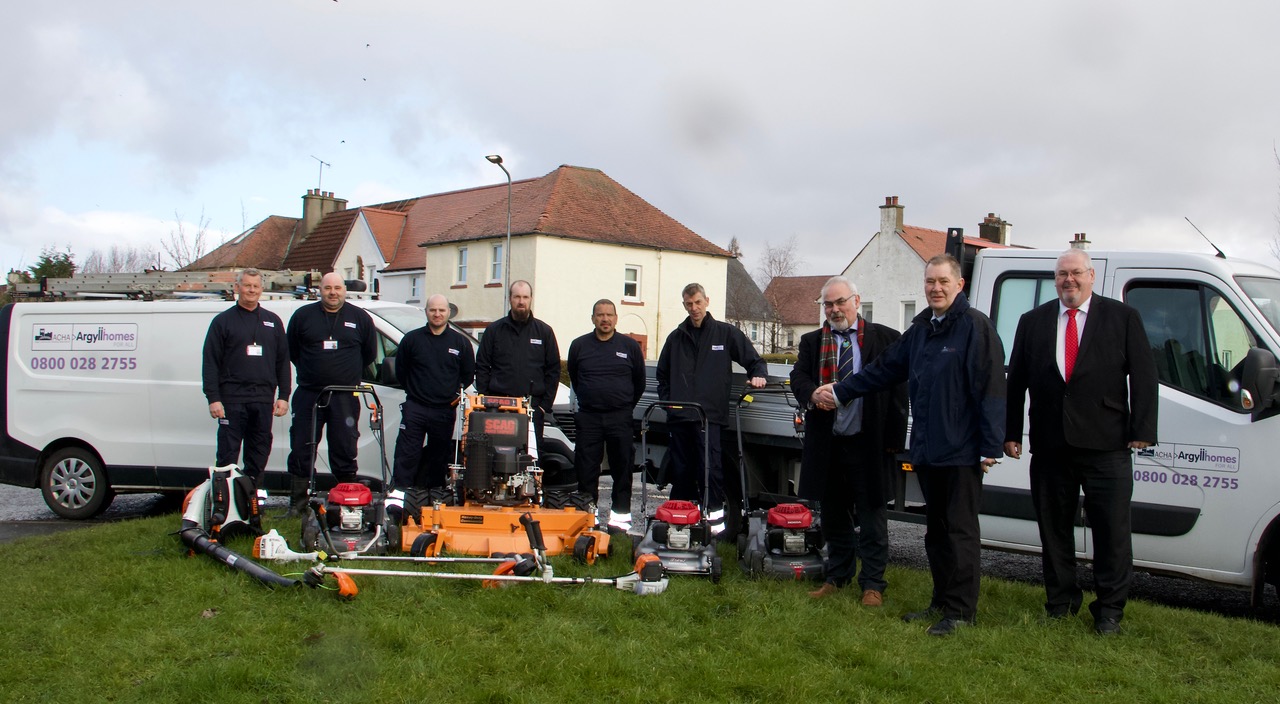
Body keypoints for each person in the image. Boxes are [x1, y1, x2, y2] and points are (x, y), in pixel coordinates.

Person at [815, 254, 1005, 636]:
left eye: (943, 282)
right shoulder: (921, 329)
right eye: (930, 281)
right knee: (935, 532)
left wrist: (990, 446)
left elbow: (991, 388)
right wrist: (840, 392)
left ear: (959, 285)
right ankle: (941, 600)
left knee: (959, 532)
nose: (935, 288)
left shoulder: (974, 327)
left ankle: (961, 612)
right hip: (928, 448)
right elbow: (883, 370)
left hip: (963, 450)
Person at [1004, 248, 1158, 635]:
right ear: (1054, 280)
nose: (1067, 280)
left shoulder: (1122, 317)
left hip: (1108, 444)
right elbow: (1016, 381)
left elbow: (1144, 375)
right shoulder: (1032, 321)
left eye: (1075, 273)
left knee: (1112, 533)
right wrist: (1009, 433)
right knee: (1054, 530)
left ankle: (1109, 611)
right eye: (1061, 275)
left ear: (1090, 276)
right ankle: (1060, 602)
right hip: (1051, 444)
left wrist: (1142, 430)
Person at [791, 276, 907, 606]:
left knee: (872, 518)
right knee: (834, 516)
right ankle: (836, 577)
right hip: (829, 442)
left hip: (868, 443)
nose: (835, 309)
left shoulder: (885, 338)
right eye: (828, 304)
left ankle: (872, 584)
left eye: (840, 302)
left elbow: (900, 392)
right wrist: (811, 393)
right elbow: (797, 376)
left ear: (857, 301)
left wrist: (894, 441)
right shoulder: (813, 342)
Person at [656, 282, 767, 534]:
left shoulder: (725, 334)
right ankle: (679, 523)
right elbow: (662, 376)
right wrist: (669, 404)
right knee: (681, 471)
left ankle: (714, 528)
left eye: (697, 302)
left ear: (707, 301)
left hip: (710, 418)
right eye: (688, 304)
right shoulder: (676, 338)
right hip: (680, 418)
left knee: (711, 471)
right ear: (684, 304)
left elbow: (754, 360)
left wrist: (758, 374)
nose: (694, 308)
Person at [285, 272, 377, 511]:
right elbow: (293, 352)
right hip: (309, 393)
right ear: (320, 290)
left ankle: (346, 501)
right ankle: (298, 503)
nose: (332, 292)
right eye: (328, 288)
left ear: (344, 290)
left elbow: (369, 354)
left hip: (345, 395)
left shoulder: (360, 318)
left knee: (345, 447)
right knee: (302, 446)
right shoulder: (302, 316)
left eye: (337, 287)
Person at [201, 268, 291, 495]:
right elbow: (210, 362)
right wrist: (213, 398)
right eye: (247, 285)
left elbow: (283, 361)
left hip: (263, 400)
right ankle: (223, 505)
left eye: (256, 286)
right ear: (237, 288)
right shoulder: (222, 322)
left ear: (262, 290)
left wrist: (283, 396)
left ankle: (250, 501)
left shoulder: (272, 321)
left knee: (259, 452)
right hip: (231, 401)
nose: (251, 290)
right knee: (227, 455)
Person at [568, 299, 646, 531]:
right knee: (586, 469)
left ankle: (619, 523)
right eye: (600, 315)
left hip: (620, 417)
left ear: (616, 318)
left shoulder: (629, 346)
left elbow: (638, 382)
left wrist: (623, 404)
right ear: (593, 318)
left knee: (622, 470)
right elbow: (575, 376)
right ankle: (587, 521)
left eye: (609, 315)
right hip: (589, 418)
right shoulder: (579, 346)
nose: (605, 319)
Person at [390, 294, 475, 502]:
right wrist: (415, 391)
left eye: (441, 310)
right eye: (433, 310)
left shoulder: (461, 343)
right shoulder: (411, 340)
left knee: (438, 457)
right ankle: (400, 500)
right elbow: (401, 372)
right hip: (415, 408)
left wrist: (451, 395)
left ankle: (434, 501)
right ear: (426, 311)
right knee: (406, 455)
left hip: (444, 410)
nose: (437, 314)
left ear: (448, 313)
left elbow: (467, 375)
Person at [475, 280, 561, 455]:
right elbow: (482, 366)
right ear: (510, 299)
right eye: (517, 297)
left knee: (529, 458)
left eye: (525, 297)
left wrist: (544, 406)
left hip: (531, 408)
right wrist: (485, 400)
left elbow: (553, 371)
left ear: (531, 299)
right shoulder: (494, 330)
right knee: (496, 456)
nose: (521, 301)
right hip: (498, 408)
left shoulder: (544, 332)